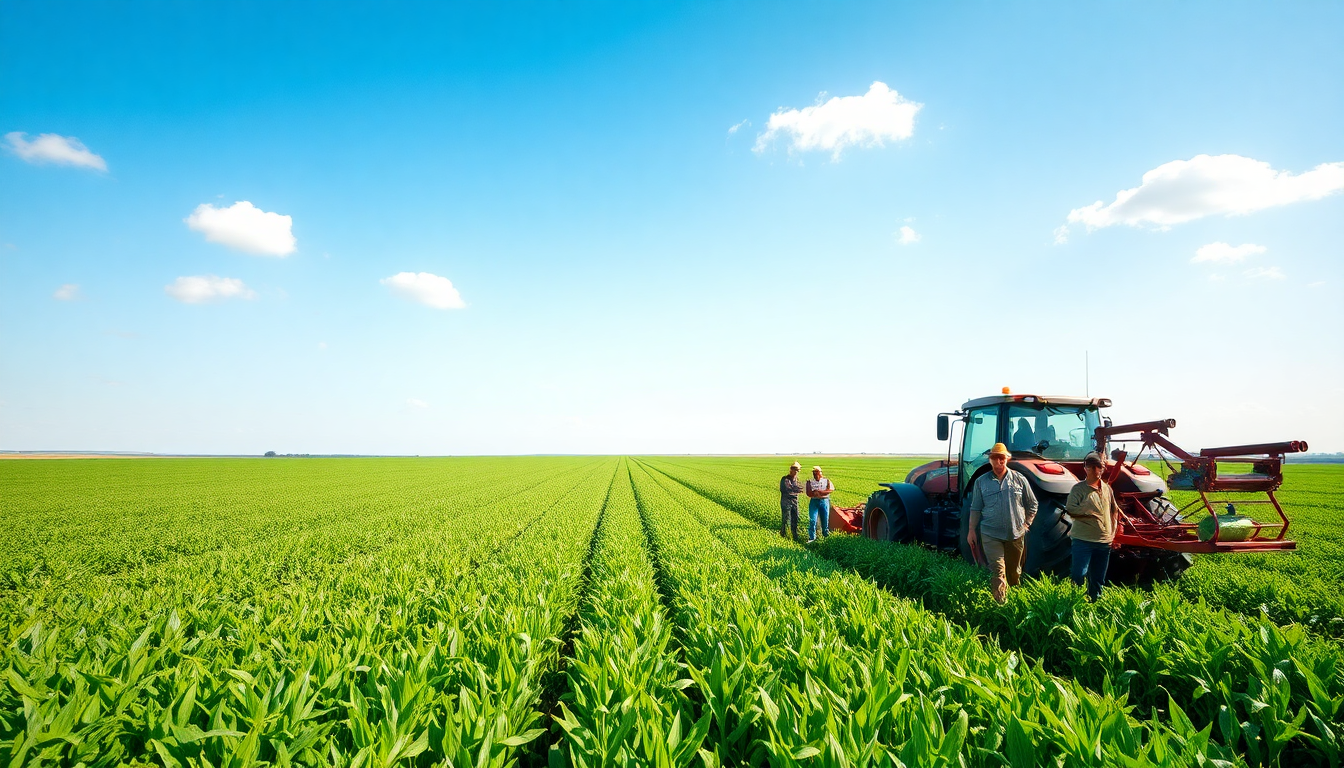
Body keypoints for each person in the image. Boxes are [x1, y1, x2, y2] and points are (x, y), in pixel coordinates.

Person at [967, 442, 1038, 603]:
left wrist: (1027, 524)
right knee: (998, 571)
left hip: (1015, 533)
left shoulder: (1019, 479)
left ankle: (1015, 601)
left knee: (1014, 573)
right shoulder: (981, 482)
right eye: (995, 458)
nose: (999, 461)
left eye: (1002, 458)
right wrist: (971, 530)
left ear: (1007, 459)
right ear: (990, 460)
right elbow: (976, 508)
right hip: (991, 534)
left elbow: (1033, 504)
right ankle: (1000, 606)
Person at [1066, 452, 1120, 601]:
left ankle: (1094, 604)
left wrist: (1113, 534)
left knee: (1097, 579)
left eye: (1100, 467)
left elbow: (1114, 511)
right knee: (1079, 574)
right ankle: (1074, 603)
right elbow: (1070, 509)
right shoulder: (1078, 489)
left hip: (1104, 543)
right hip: (1083, 541)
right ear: (1086, 469)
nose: (1098, 471)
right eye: (1094, 467)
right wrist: (1089, 512)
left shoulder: (1107, 489)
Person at [805, 465, 834, 543]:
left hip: (824, 501)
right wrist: (814, 494)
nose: (815, 474)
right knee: (812, 520)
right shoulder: (809, 482)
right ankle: (812, 538)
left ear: (821, 473)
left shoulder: (827, 481)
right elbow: (808, 493)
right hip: (814, 502)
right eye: (814, 473)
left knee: (825, 520)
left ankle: (826, 537)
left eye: (817, 472)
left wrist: (820, 492)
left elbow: (830, 490)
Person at [779, 461, 804, 540]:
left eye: (798, 470)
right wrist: (796, 490)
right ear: (791, 470)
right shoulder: (785, 479)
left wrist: (796, 490)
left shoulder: (797, 479)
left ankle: (794, 535)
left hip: (794, 502)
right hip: (786, 502)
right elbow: (786, 489)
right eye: (795, 470)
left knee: (795, 518)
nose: (796, 472)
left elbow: (800, 488)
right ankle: (783, 535)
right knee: (786, 519)